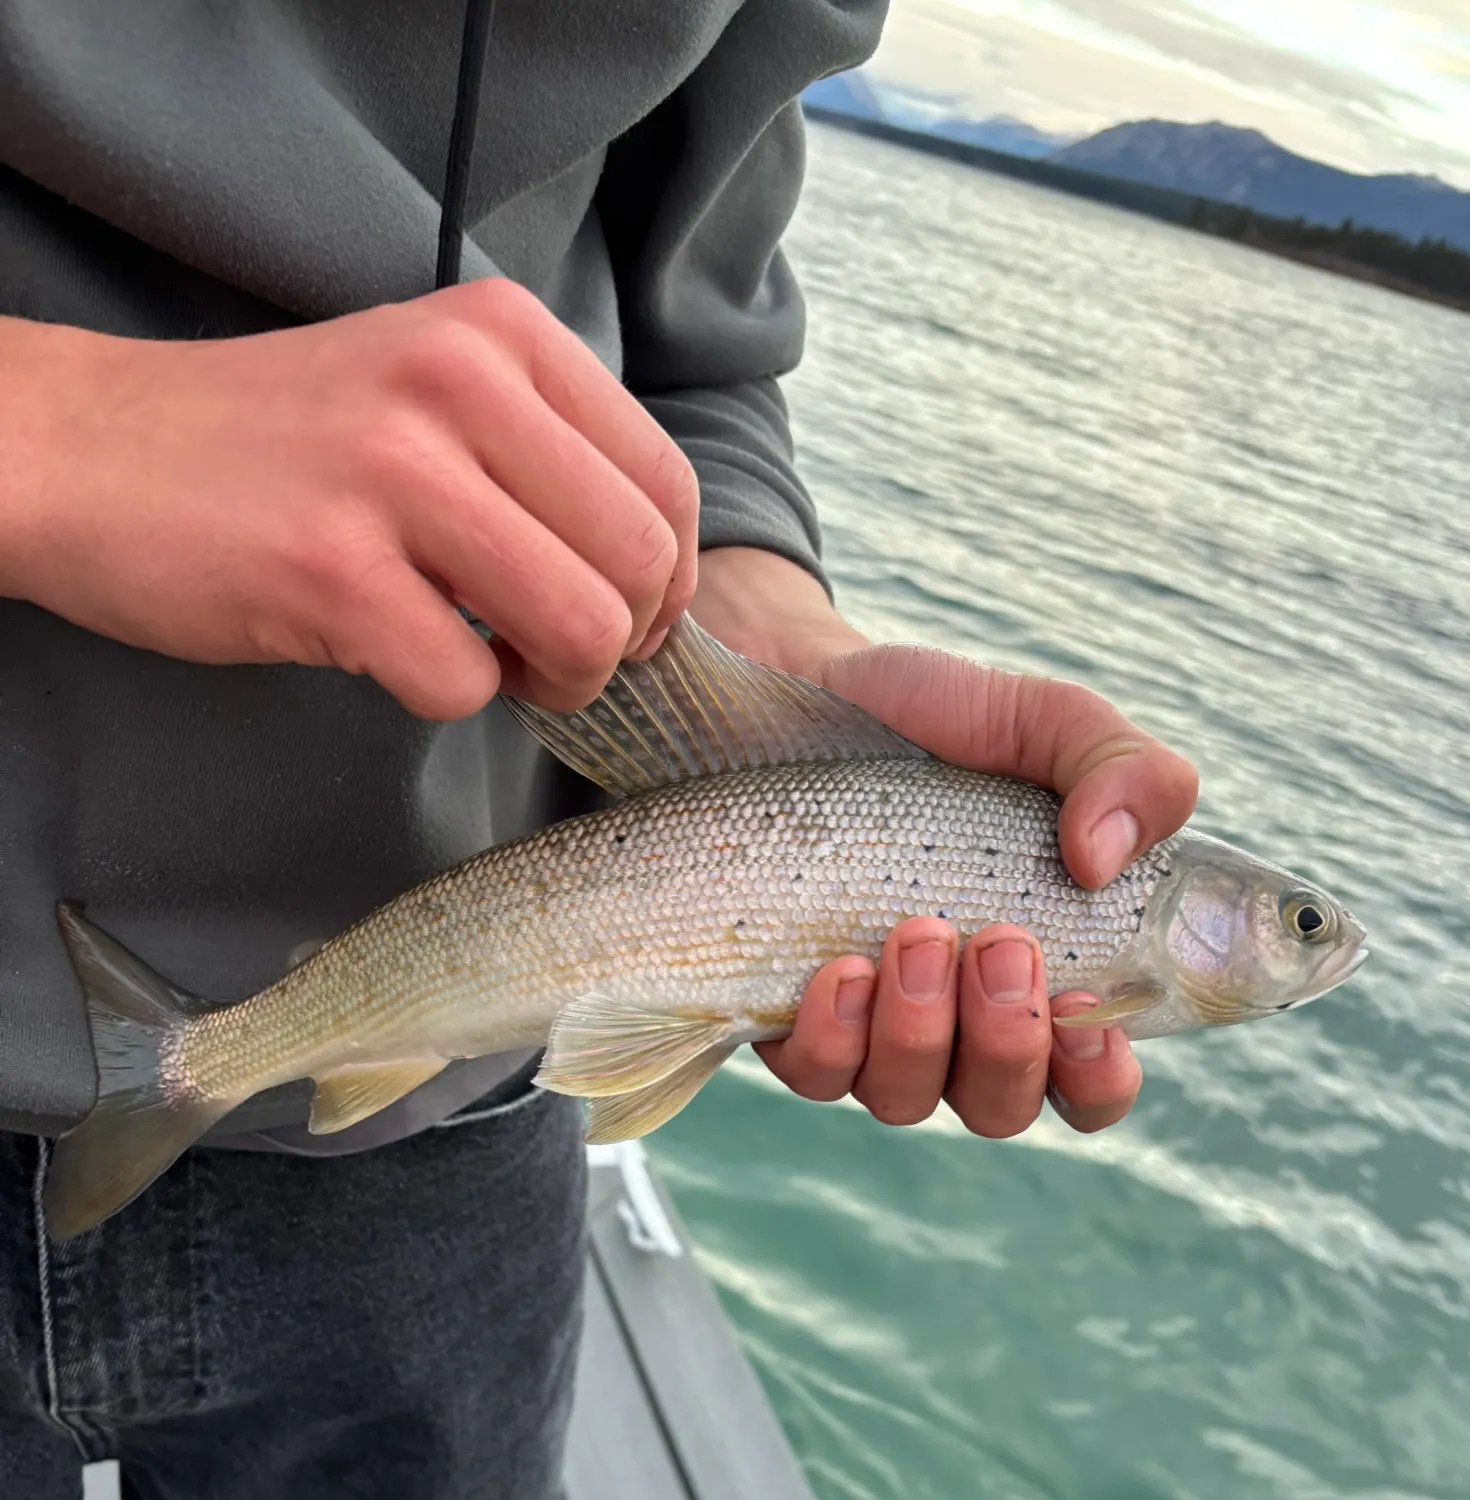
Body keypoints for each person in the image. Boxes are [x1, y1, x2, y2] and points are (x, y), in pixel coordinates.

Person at [0, 3, 1198, 1497]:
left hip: (444, 1141)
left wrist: (753, 627)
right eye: (1293, 921)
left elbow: (697, 341)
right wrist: (46, 432)